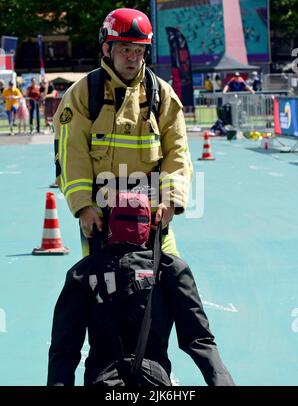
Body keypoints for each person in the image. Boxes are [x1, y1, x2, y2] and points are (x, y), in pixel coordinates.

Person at [47, 195, 235, 386]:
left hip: (102, 379)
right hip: (154, 381)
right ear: (151, 226)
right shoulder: (170, 270)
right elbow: (199, 339)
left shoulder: (82, 273)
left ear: (109, 225)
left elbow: (63, 351)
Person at [53, 8, 193, 258]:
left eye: (139, 51)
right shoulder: (83, 94)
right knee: (96, 289)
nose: (133, 58)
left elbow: (178, 152)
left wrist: (171, 200)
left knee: (174, 287)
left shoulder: (161, 95)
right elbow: (71, 154)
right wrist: (83, 206)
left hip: (152, 217)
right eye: (125, 49)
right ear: (107, 49)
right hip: (100, 218)